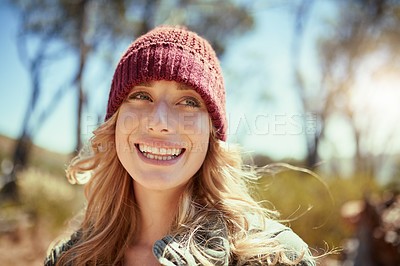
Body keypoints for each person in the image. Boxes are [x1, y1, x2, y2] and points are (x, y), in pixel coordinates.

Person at [45, 25, 316, 265]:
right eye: (141, 95)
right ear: (114, 123)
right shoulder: (68, 258)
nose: (160, 122)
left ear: (212, 134)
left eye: (188, 101)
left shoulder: (275, 257)